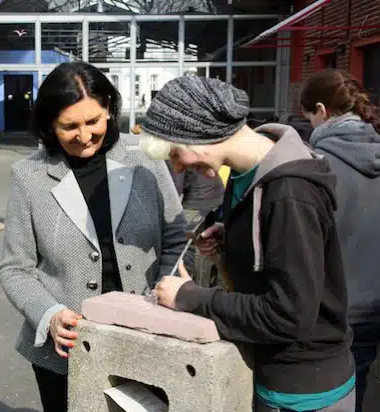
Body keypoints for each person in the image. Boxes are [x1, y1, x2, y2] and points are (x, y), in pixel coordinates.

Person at [140, 76, 354, 412]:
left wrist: (190, 297)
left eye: (175, 154)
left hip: (301, 390)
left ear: (201, 135)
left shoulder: (289, 193)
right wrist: (234, 236)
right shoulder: (249, 175)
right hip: (278, 372)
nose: (179, 167)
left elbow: (289, 316)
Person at [0, 62, 190, 412]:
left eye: (93, 121)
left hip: (147, 338)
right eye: (69, 126)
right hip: (65, 352)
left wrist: (164, 290)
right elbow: (15, 268)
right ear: (48, 126)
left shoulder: (143, 157)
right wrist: (51, 314)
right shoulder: (29, 176)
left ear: (110, 111)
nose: (84, 136)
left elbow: (176, 236)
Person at [301, 69, 380, 412]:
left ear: (321, 110)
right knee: (360, 387)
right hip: (375, 306)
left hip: (331, 309)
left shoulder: (317, 166)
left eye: (308, 117)